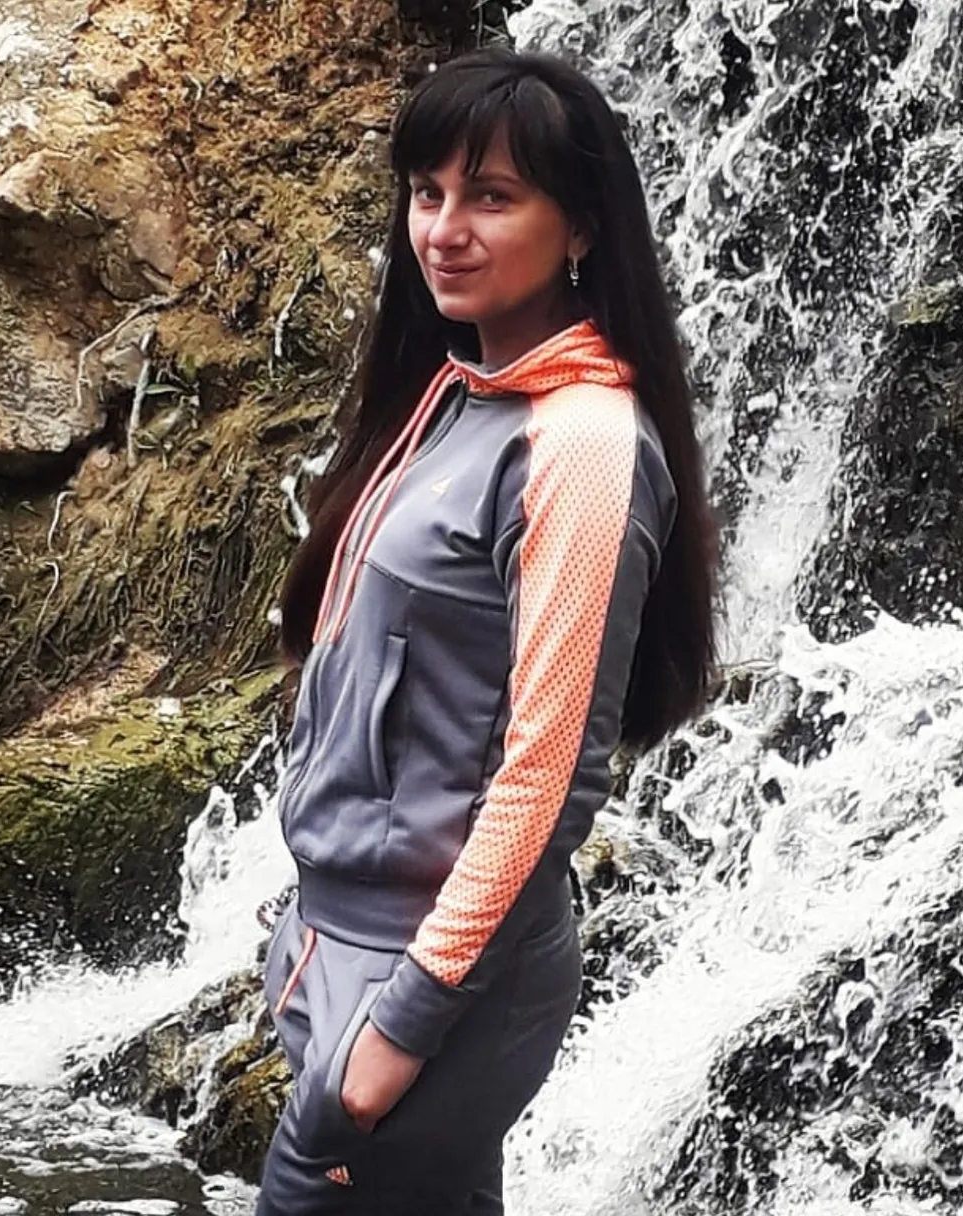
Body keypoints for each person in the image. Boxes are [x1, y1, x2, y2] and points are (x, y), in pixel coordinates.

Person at [256, 46, 716, 1216]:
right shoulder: (459, 394)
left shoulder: (580, 440)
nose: (443, 230)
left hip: (435, 977)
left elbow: (548, 777)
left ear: (580, 231)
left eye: (491, 196)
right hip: (342, 944)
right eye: (426, 193)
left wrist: (402, 1020)